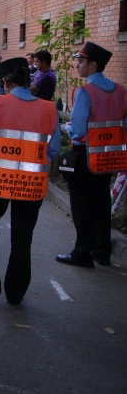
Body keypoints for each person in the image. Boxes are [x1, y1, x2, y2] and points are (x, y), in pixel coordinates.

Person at [0, 57, 61, 305]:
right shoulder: (49, 109)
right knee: (23, 236)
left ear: (6, 83)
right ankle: (16, 292)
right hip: (32, 185)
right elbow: (52, 150)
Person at [56, 42, 127, 268]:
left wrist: (65, 129)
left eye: (81, 61)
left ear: (93, 64)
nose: (78, 65)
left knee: (81, 205)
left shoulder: (84, 91)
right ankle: (102, 251)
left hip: (85, 155)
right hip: (110, 157)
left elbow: (77, 129)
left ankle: (82, 252)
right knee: (101, 202)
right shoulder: (121, 90)